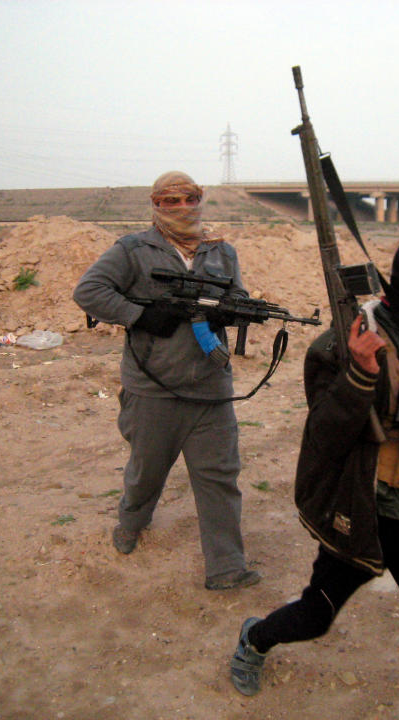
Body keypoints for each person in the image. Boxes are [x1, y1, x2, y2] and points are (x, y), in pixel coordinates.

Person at [228, 235, 399, 719]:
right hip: (367, 513)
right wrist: (360, 374)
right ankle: (255, 638)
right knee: (317, 614)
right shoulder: (352, 339)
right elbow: (323, 433)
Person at [73, 170, 260, 591]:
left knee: (219, 477)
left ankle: (227, 566)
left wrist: (233, 309)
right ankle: (131, 521)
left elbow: (239, 294)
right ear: (155, 205)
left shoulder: (221, 252)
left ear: (200, 200)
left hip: (212, 388)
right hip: (153, 387)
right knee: (147, 471)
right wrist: (141, 316)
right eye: (169, 201)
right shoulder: (134, 250)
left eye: (189, 198)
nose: (181, 207)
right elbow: (89, 291)